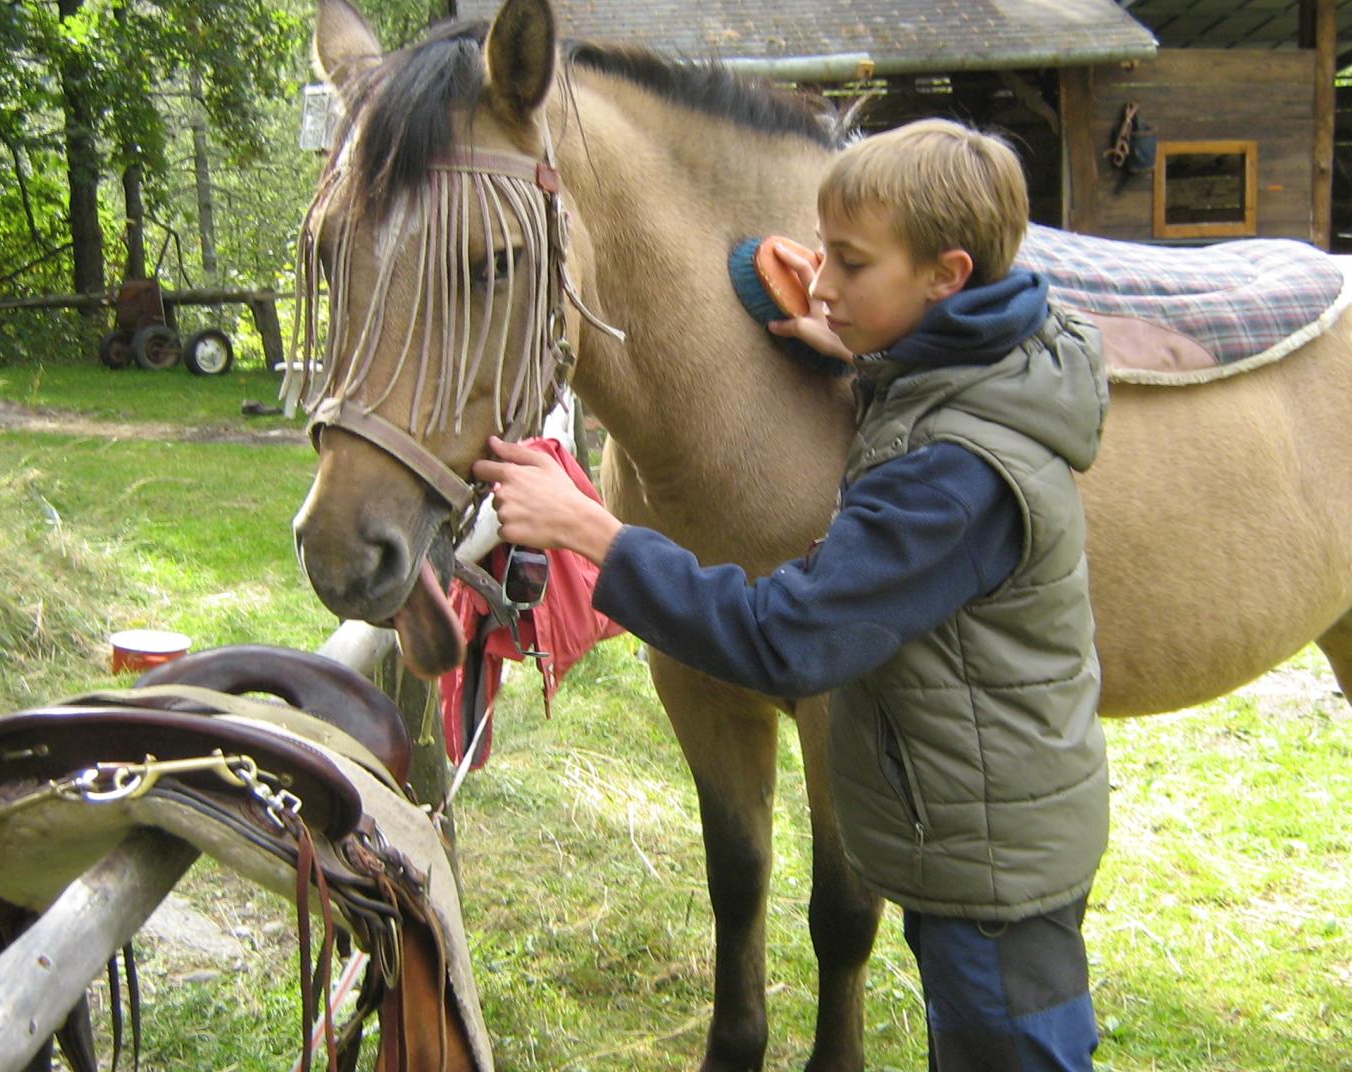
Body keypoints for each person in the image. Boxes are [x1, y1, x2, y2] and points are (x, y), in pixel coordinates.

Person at [473, 117, 1111, 1072]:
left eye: (850, 265)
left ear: (945, 275)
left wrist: (593, 531)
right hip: (985, 844)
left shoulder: (951, 475)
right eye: (821, 257)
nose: (819, 285)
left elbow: (789, 641)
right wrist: (867, 342)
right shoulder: (993, 362)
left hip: (991, 883)